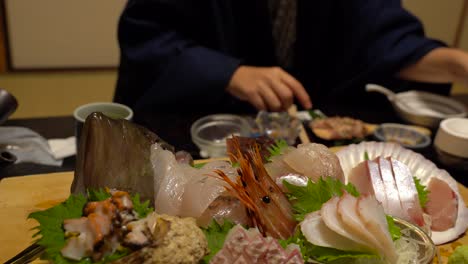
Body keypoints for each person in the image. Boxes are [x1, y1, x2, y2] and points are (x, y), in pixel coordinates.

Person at [114, 0, 468, 117]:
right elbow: (147, 34)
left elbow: (382, 43)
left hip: (306, 131)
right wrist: (228, 73)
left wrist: (455, 63)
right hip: (210, 129)